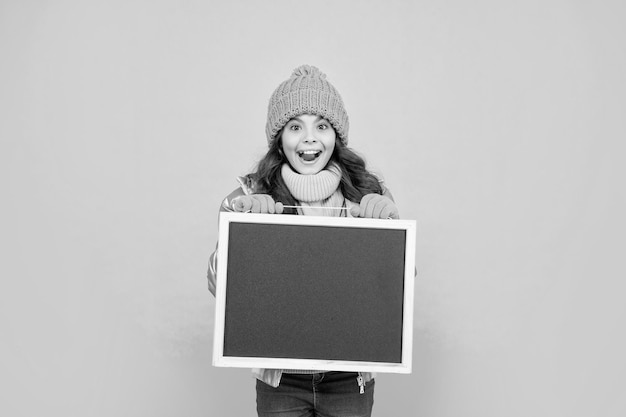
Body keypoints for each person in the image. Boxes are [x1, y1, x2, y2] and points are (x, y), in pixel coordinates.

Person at [207, 64, 400, 417]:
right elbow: (218, 284)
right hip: (281, 381)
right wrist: (243, 229)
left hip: (348, 380)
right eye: (296, 126)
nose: (310, 138)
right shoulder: (249, 196)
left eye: (321, 126)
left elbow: (396, 292)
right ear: (280, 139)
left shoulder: (368, 195)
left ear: (336, 137)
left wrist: (387, 225)